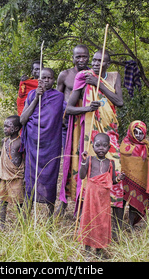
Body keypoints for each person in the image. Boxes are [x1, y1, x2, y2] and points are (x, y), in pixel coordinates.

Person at [59, 50, 124, 229]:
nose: (95, 64)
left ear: (107, 64)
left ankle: (117, 227)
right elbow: (69, 109)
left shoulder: (113, 76)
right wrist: (87, 108)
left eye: (100, 61)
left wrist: (99, 84)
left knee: (116, 175)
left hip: (110, 134)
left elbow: (119, 102)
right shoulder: (84, 78)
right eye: (94, 60)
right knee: (91, 176)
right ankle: (87, 220)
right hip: (91, 137)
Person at [20, 68, 64, 220]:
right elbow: (23, 119)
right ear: (38, 79)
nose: (46, 81)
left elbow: (59, 117)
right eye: (43, 78)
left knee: (50, 178)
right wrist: (36, 99)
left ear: (54, 80)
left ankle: (51, 218)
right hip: (33, 143)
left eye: (49, 78)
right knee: (30, 178)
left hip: (51, 145)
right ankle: (25, 217)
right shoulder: (32, 94)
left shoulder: (58, 97)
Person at [78, 133, 124, 257]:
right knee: (89, 219)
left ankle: (99, 250)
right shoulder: (90, 160)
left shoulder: (110, 163)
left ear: (109, 147)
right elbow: (82, 176)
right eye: (98, 145)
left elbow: (112, 180)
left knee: (102, 221)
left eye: (104, 146)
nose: (101, 148)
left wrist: (119, 178)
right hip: (91, 197)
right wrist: (83, 162)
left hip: (104, 198)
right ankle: (87, 250)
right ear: (93, 146)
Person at [57, 44, 89, 149]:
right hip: (68, 116)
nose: (81, 60)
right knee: (68, 148)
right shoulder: (65, 75)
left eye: (84, 57)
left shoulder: (93, 75)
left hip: (87, 115)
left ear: (89, 58)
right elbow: (58, 98)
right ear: (73, 58)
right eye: (78, 57)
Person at [0, 115, 25, 230]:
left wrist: (26, 176)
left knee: (19, 202)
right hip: (4, 175)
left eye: (7, 127)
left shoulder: (21, 142)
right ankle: (1, 222)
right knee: (3, 200)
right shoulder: (5, 141)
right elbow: (2, 160)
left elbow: (25, 159)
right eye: (4, 126)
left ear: (16, 129)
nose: (4, 129)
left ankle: (21, 222)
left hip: (17, 176)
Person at [120, 121, 149, 229]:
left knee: (134, 204)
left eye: (141, 133)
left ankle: (130, 224)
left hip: (140, 180)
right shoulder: (124, 144)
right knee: (121, 202)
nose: (138, 135)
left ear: (145, 133)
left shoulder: (146, 146)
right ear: (130, 132)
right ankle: (118, 224)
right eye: (135, 132)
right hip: (125, 180)